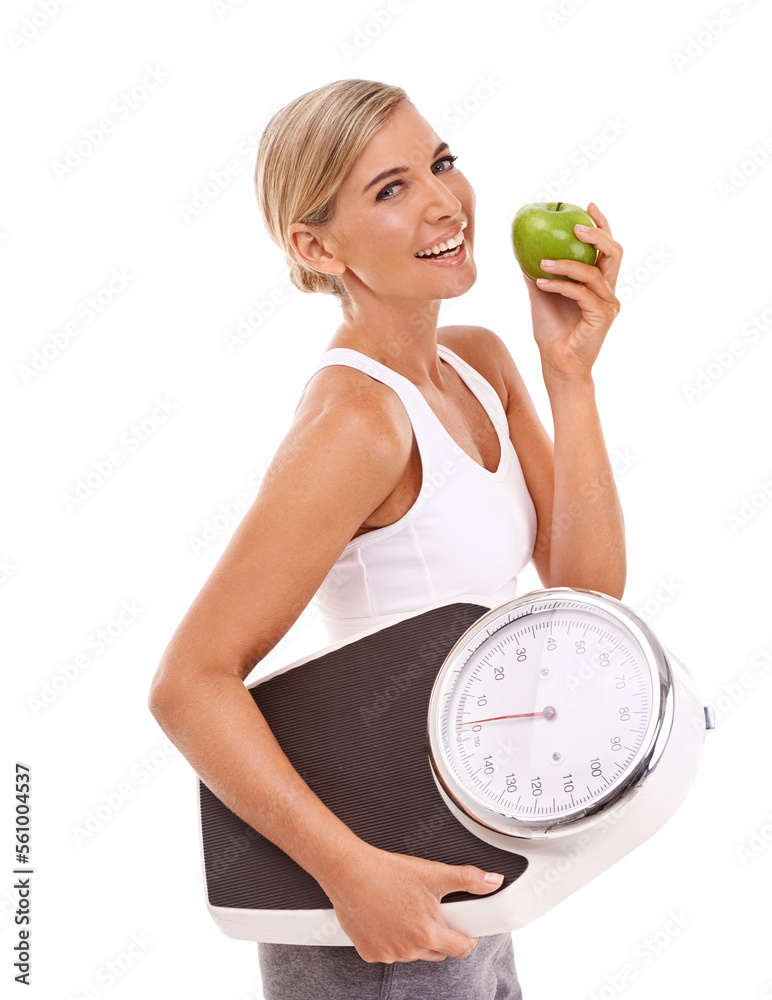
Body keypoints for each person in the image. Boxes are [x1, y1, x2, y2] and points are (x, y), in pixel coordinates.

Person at [148, 78, 626, 1000]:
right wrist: (349, 874)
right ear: (316, 246)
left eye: (441, 163)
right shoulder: (358, 425)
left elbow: (585, 598)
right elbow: (187, 682)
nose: (446, 201)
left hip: (468, 853)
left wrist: (570, 376)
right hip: (375, 884)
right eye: (392, 188)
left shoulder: (479, 363)